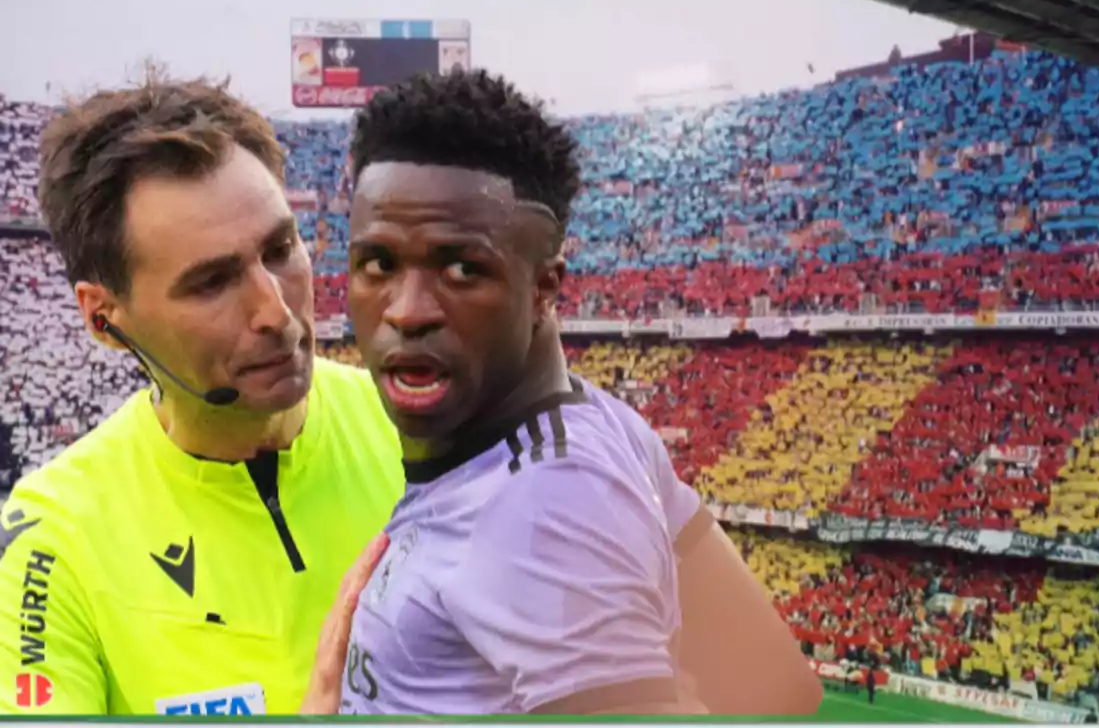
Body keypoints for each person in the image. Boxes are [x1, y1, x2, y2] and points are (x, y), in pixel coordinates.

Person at [325, 69, 822, 715]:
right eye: (379, 264)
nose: (408, 310)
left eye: (461, 268)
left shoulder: (544, 504)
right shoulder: (595, 421)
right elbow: (771, 685)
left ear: (545, 289)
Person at [0, 73, 405, 715]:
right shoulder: (56, 536)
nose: (275, 310)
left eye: (280, 249)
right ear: (104, 318)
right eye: (212, 282)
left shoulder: (423, 433)